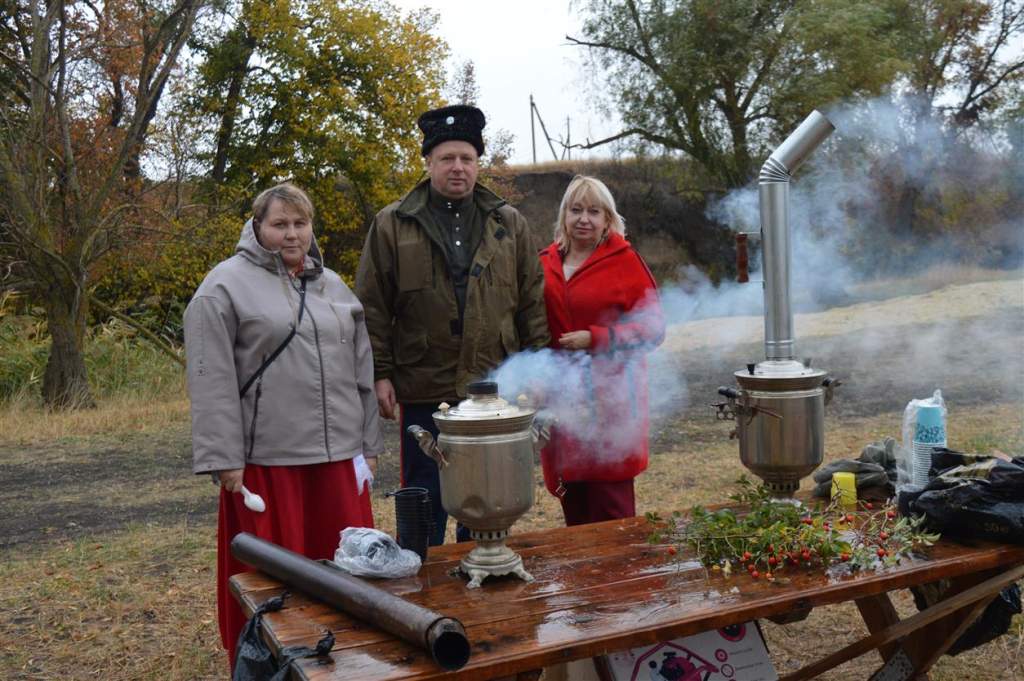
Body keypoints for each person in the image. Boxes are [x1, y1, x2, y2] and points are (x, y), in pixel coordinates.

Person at [184, 183, 383, 668]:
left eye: (300, 223)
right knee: (270, 582)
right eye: (280, 224)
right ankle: (266, 667)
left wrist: (368, 446)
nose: (292, 234)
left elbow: (362, 372)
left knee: (346, 577)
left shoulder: (334, 286)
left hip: (337, 462)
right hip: (268, 464)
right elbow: (210, 380)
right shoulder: (223, 286)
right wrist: (224, 459)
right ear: (257, 227)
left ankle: (343, 664)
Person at [356, 105, 549, 545]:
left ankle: (480, 574)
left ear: (479, 162)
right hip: (425, 386)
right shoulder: (392, 224)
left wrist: (538, 367)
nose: (458, 167)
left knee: (486, 496)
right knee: (424, 498)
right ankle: (422, 586)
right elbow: (372, 306)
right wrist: (380, 373)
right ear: (428, 162)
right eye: (447, 158)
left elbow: (531, 301)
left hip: (494, 389)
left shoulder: (509, 222)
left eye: (467, 158)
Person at [538, 175, 665, 526]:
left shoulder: (626, 262)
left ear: (608, 219)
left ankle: (625, 581)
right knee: (574, 509)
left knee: (613, 516)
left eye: (594, 211)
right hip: (561, 401)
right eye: (576, 210)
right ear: (564, 215)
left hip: (612, 404)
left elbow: (654, 330)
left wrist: (596, 339)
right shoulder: (544, 263)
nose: (584, 219)